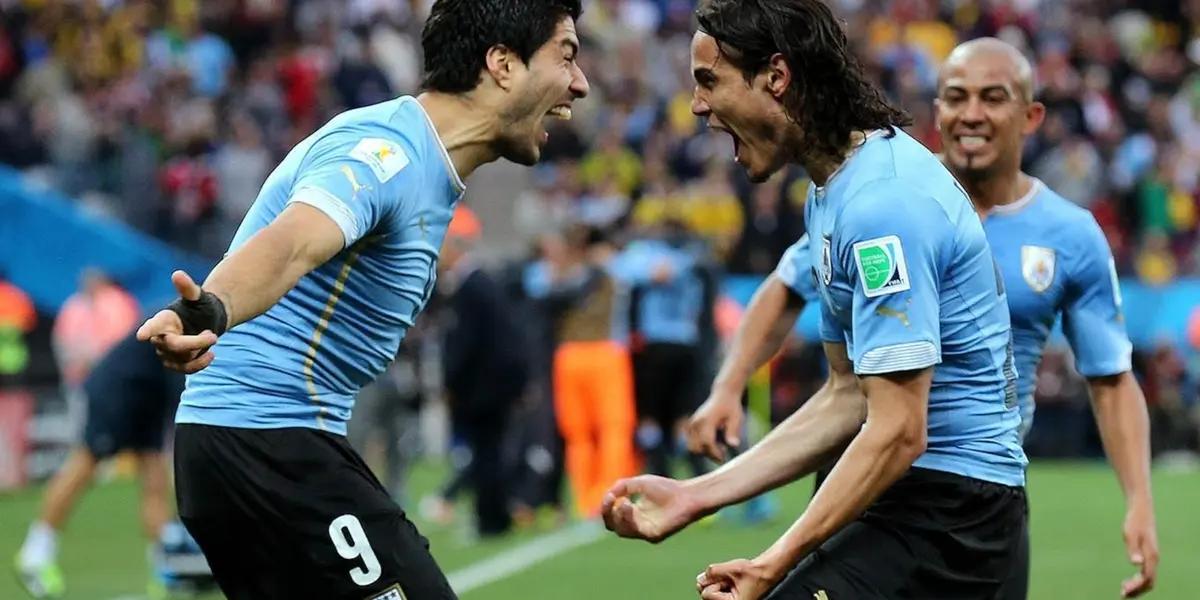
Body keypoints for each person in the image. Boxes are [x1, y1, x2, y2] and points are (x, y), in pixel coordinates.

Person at [134, 1, 589, 597]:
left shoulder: (425, 168)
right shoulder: (387, 154)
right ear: (502, 63)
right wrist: (208, 309)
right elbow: (295, 242)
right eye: (567, 56)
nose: (579, 83)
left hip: (254, 447)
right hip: (266, 446)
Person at [601, 2, 1027, 599]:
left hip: (950, 517)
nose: (697, 105)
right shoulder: (836, 191)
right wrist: (698, 495)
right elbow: (847, 395)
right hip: (909, 500)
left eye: (708, 80)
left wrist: (773, 561)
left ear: (776, 77)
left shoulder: (882, 207)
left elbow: (901, 430)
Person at [935, 37, 1158, 598]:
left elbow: (1110, 378)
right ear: (936, 108)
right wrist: (727, 386)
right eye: (956, 97)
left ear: (1031, 115)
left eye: (993, 97)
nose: (971, 115)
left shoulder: (1071, 233)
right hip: (870, 487)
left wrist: (1140, 502)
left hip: (989, 498)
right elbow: (790, 283)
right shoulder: (891, 203)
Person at [13, 331, 200, 599]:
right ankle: (35, 553)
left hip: (148, 397)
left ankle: (165, 567)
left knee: (154, 475)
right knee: (85, 464)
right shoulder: (194, 324)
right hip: (115, 390)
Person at [437, 204, 530, 537]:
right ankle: (494, 515)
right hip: (494, 388)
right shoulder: (483, 283)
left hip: (483, 391)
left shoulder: (471, 286)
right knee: (490, 453)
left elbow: (467, 343)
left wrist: (451, 381)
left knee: (486, 454)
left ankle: (490, 519)